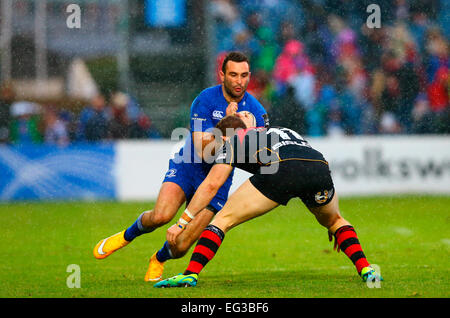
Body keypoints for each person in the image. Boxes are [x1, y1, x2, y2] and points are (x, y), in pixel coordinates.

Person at [93, 52, 269, 282]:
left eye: (244, 75)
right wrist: (226, 126)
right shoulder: (205, 100)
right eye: (233, 75)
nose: (239, 81)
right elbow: (201, 147)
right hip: (189, 165)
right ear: (222, 75)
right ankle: (126, 235)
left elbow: (260, 158)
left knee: (181, 246)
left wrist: (250, 142)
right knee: (161, 216)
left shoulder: (257, 111)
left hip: (219, 178)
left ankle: (158, 258)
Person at [154, 114, 383, 288]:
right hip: (318, 165)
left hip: (281, 169)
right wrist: (329, 219)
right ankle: (367, 270)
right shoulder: (280, 130)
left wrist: (182, 222)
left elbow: (211, 185)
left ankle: (190, 273)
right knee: (335, 221)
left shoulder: (232, 141)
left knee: (222, 220)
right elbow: (301, 156)